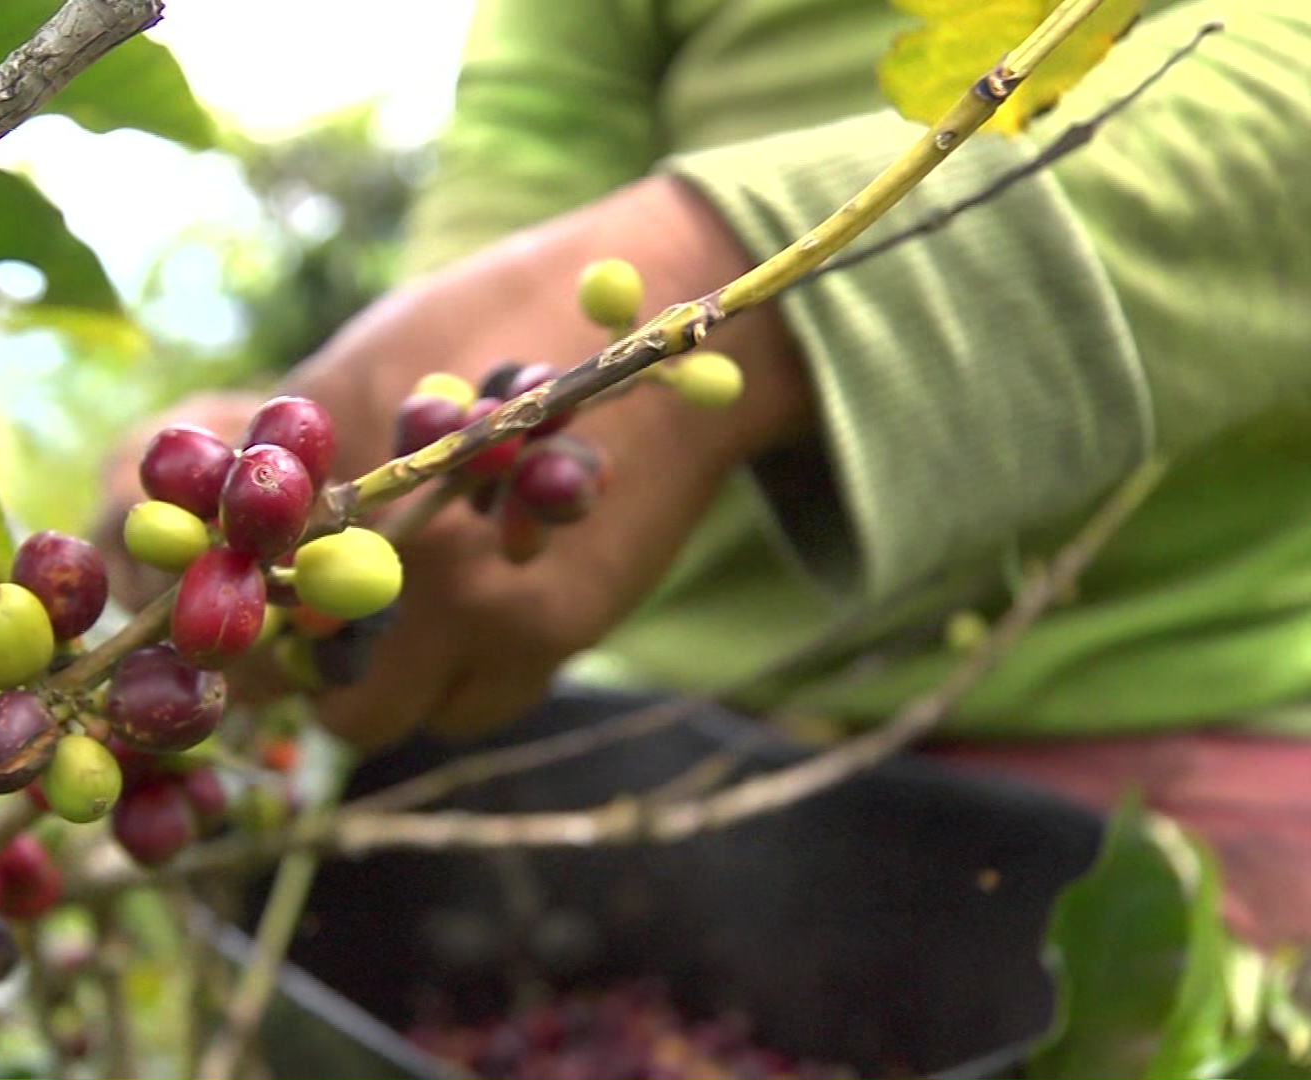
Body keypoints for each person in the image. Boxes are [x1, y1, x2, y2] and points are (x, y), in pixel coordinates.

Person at [97, 0, 1311, 948]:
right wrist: (464, 367)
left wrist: (758, 279)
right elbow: (548, 110)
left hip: (1161, 742)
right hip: (642, 733)